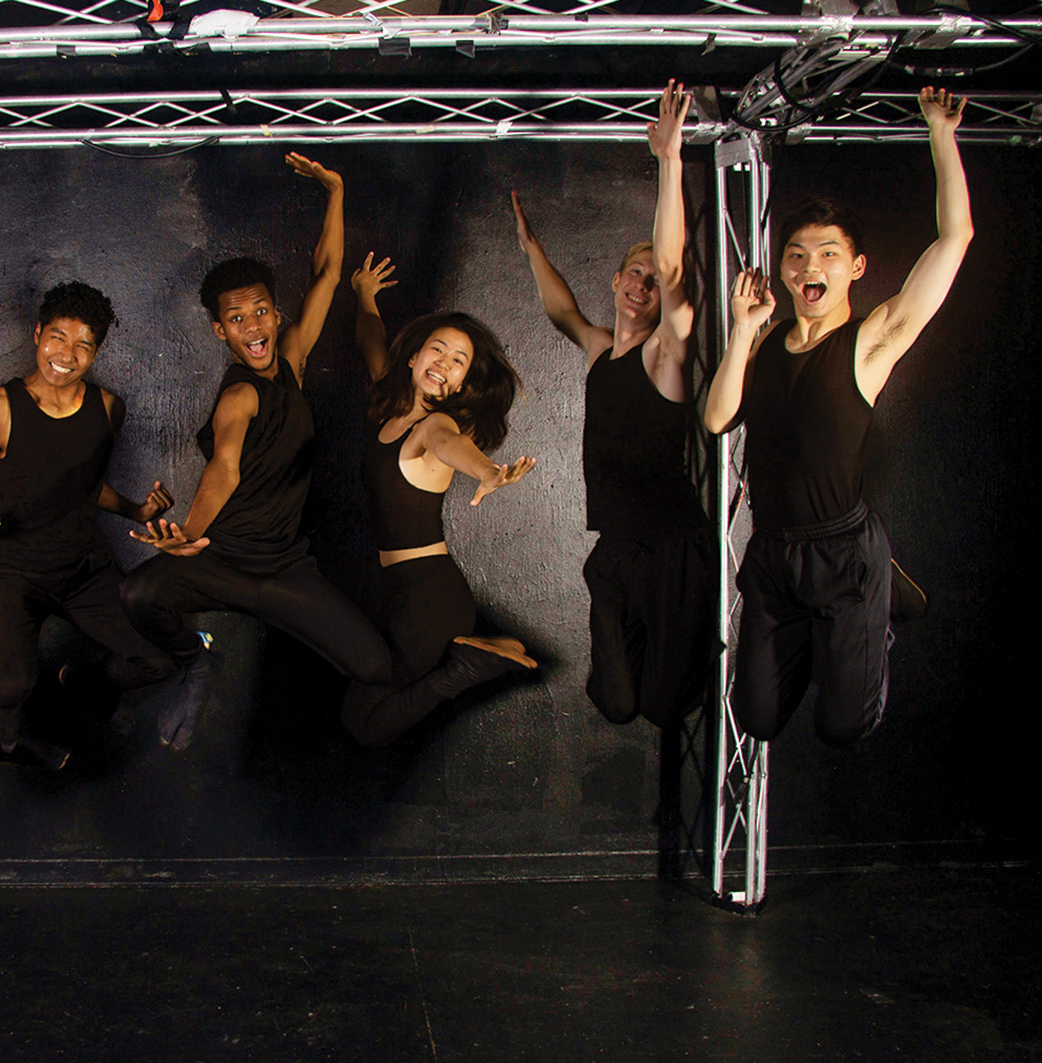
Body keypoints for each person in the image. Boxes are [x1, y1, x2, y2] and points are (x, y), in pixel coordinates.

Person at [703, 87, 972, 745]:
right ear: (785, 273)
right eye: (796, 254)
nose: (808, 264)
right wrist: (742, 330)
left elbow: (955, 237)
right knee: (759, 719)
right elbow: (716, 420)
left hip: (843, 553)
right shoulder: (763, 345)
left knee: (843, 724)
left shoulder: (871, 341)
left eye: (826, 252)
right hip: (773, 553)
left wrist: (941, 132)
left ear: (854, 267)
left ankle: (878, 602)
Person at [121, 152, 391, 750]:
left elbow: (326, 272)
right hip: (218, 556)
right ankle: (197, 659)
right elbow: (225, 465)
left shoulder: (291, 358)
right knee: (136, 595)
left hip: (280, 570)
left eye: (261, 311)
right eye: (237, 318)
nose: (253, 325)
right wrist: (191, 533)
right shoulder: (238, 396)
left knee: (375, 670)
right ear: (221, 330)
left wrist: (337, 189)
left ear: (276, 312)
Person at [512, 81, 717, 729]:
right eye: (634, 271)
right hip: (618, 550)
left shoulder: (665, 355)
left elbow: (675, 269)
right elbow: (563, 312)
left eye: (652, 277)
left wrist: (670, 161)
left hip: (673, 548)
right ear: (616, 280)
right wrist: (530, 250)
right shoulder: (602, 348)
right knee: (619, 702)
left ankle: (698, 659)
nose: (644, 281)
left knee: (662, 706)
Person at [0, 281, 179, 768]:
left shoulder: (107, 409)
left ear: (96, 352)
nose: (67, 353)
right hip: (13, 570)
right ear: (37, 333)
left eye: (83, 344)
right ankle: (3, 747)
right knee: (12, 686)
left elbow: (82, 484)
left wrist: (137, 512)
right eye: (58, 337)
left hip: (85, 569)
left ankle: (79, 685)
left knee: (159, 658)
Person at [338, 255, 537, 747]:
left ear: (462, 383)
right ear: (414, 357)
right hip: (402, 591)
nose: (443, 364)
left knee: (364, 726)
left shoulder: (435, 426)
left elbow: (458, 449)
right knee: (358, 713)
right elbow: (370, 340)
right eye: (438, 350)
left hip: (428, 598)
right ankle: (479, 658)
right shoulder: (392, 403)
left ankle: (472, 665)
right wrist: (364, 292)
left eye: (458, 361)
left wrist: (490, 472)